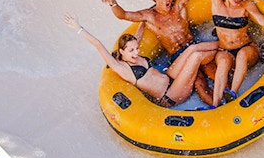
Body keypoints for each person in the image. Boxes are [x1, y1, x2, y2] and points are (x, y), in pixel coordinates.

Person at [101, 0, 218, 104]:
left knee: (214, 71)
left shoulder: (179, 6)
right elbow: (123, 15)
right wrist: (113, 3)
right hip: (178, 57)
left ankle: (231, 96)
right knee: (200, 83)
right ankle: (216, 108)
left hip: (194, 45)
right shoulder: (149, 16)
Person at [64, 13, 216, 108]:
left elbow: (140, 32)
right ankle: (221, 53)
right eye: (131, 50)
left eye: (136, 48)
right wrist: (78, 28)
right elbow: (98, 44)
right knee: (196, 56)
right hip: (170, 95)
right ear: (121, 51)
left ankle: (221, 46)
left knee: (191, 49)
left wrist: (145, 16)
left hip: (170, 77)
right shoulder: (122, 67)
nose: (136, 53)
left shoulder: (133, 53)